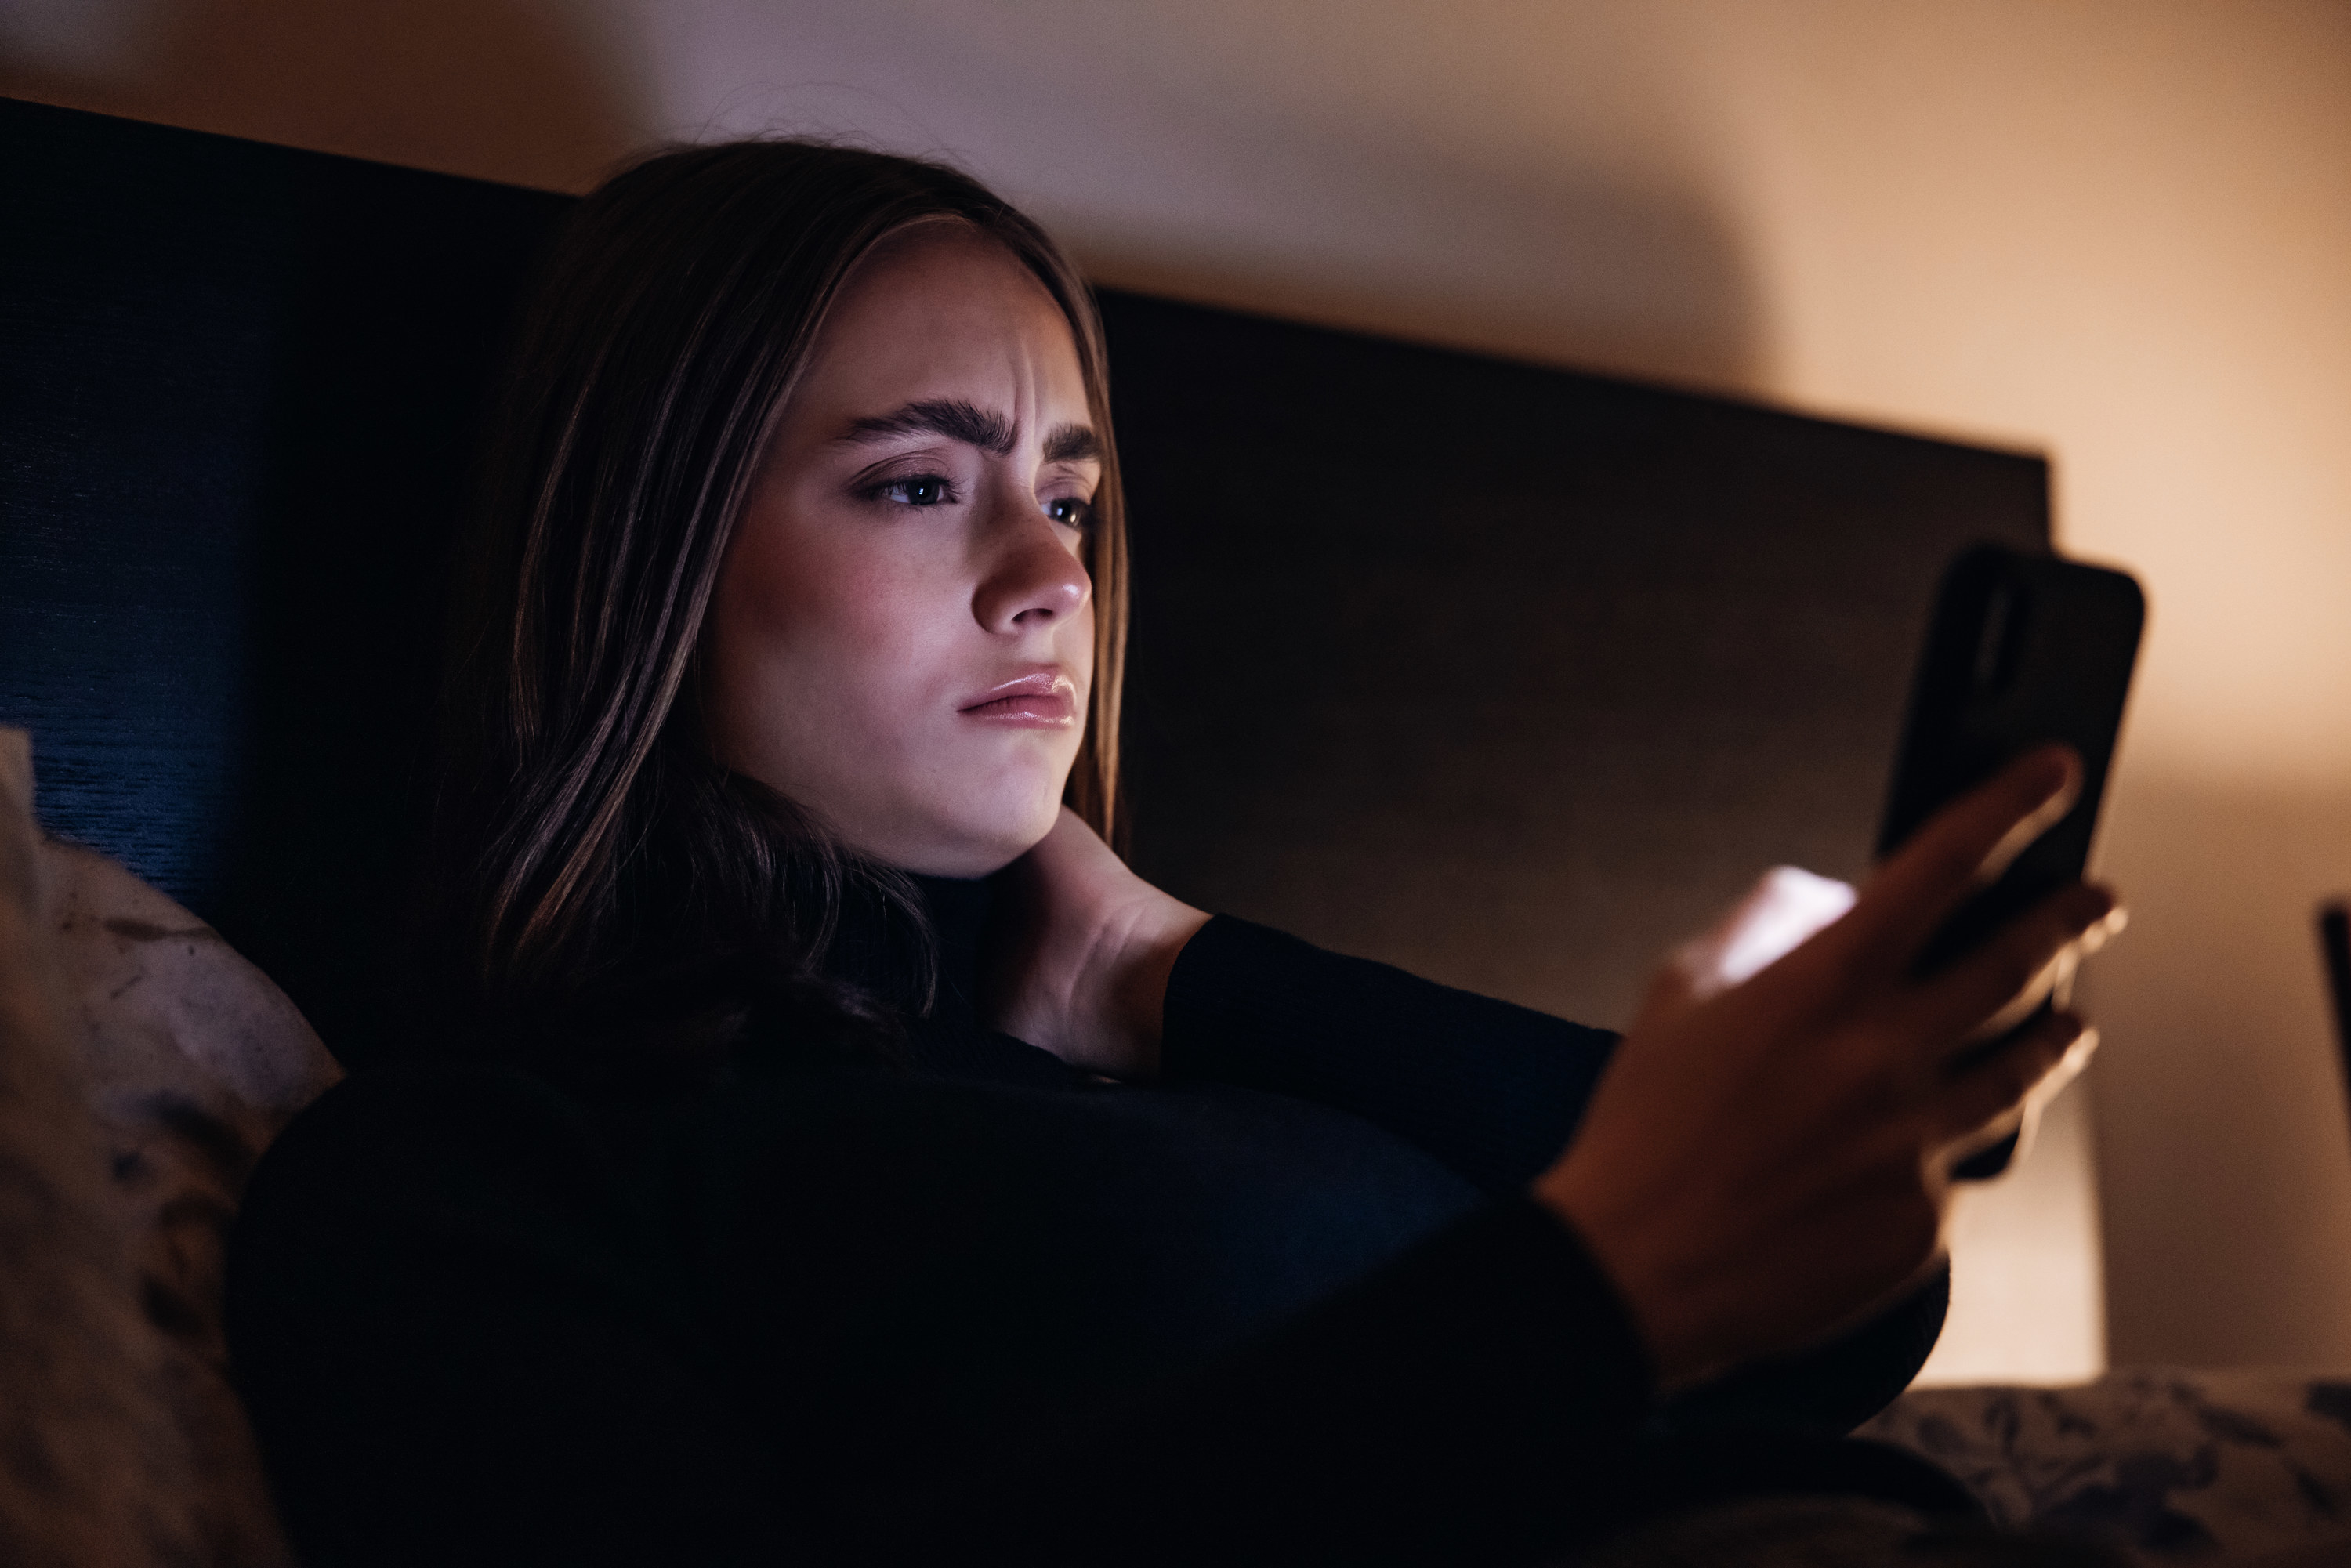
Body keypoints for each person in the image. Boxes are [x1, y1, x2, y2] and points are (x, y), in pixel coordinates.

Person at [223, 140, 2121, 1566]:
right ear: (648, 555)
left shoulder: (1180, 1045)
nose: (1054, 577)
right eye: (915, 481)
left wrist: (1166, 962)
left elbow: (1854, 1305)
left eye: (1067, 492)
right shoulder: (469, 1169)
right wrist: (1589, 1298)